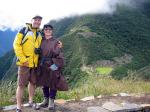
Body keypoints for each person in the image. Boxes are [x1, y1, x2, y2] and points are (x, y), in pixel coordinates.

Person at [13, 15, 43, 112]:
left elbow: (44, 44)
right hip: (24, 63)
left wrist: (57, 43)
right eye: (36, 20)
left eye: (39, 21)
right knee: (21, 85)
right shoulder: (24, 30)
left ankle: (30, 101)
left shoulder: (39, 33)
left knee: (33, 83)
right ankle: (18, 106)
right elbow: (16, 45)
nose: (37, 22)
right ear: (31, 21)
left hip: (34, 64)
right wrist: (23, 59)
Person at [36, 24, 68, 110]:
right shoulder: (40, 41)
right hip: (42, 64)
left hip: (52, 64)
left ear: (52, 31)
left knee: (53, 83)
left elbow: (60, 55)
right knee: (44, 83)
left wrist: (54, 66)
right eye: (46, 29)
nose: (48, 30)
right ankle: (45, 100)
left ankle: (51, 101)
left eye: (50, 29)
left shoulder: (56, 42)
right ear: (44, 30)